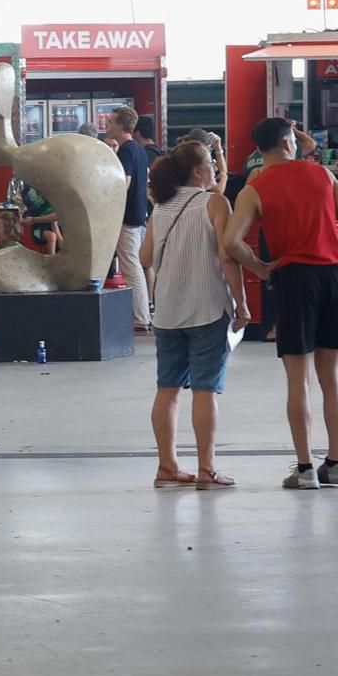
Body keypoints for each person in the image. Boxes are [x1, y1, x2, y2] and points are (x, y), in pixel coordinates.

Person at [224, 117, 338, 491]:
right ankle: (336, 463)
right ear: (290, 142)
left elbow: (231, 242)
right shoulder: (323, 175)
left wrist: (262, 267)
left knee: (297, 380)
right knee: (331, 377)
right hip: (333, 276)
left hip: (293, 280)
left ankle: (304, 469)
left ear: (259, 150)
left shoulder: (254, 189)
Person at [141, 141, 247, 490]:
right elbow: (228, 256)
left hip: (167, 312)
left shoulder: (161, 207)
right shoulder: (214, 203)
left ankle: (167, 466)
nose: (216, 169)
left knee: (167, 389)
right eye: (212, 164)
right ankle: (206, 469)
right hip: (207, 309)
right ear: (198, 171)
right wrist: (242, 303)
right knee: (205, 390)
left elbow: (144, 258)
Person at [108, 107, 153, 332]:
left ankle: (140, 317)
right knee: (134, 265)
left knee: (131, 267)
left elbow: (123, 184)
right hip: (139, 214)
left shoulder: (126, 151)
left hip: (126, 216)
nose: (107, 125)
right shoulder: (139, 150)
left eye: (111, 121)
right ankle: (142, 314)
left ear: (120, 125)